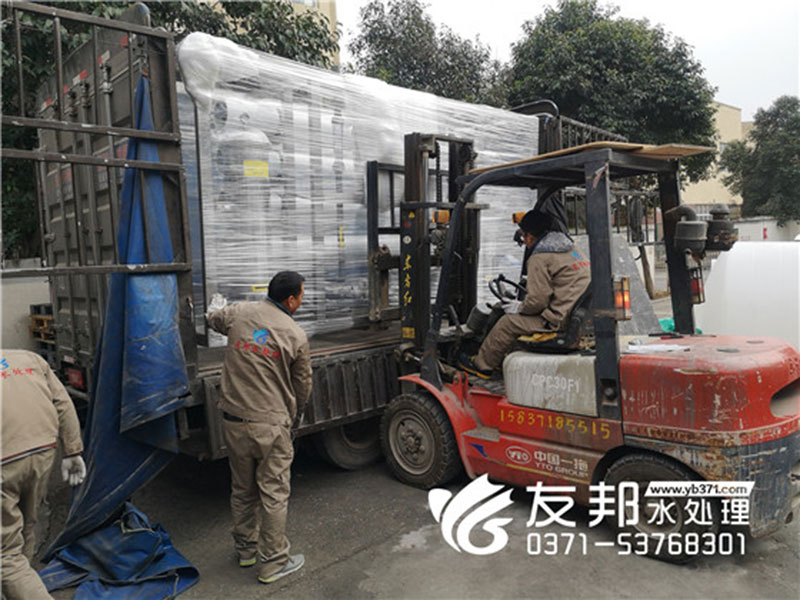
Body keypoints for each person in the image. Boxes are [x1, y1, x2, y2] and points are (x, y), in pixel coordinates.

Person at [206, 270, 312, 585]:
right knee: (274, 493)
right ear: (290, 300)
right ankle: (274, 562)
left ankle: (245, 551)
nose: (301, 301)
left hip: (234, 420)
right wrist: (295, 415)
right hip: (271, 425)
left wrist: (214, 310)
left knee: (242, 489)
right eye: (301, 296)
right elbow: (303, 386)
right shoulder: (295, 335)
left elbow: (214, 319)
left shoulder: (240, 313)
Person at [459, 209, 591, 378]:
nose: (523, 241)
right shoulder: (572, 250)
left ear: (529, 236)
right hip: (577, 315)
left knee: (507, 322)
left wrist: (520, 307)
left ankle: (482, 365)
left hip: (557, 321)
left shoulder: (540, 257)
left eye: (523, 236)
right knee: (509, 312)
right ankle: (503, 358)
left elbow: (537, 301)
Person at [1, 349, 86, 600]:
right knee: (26, 524)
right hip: (41, 451)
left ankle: (19, 581)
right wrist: (73, 451)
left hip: (4, 460)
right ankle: (20, 580)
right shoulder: (30, 359)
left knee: (5, 556)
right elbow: (63, 403)